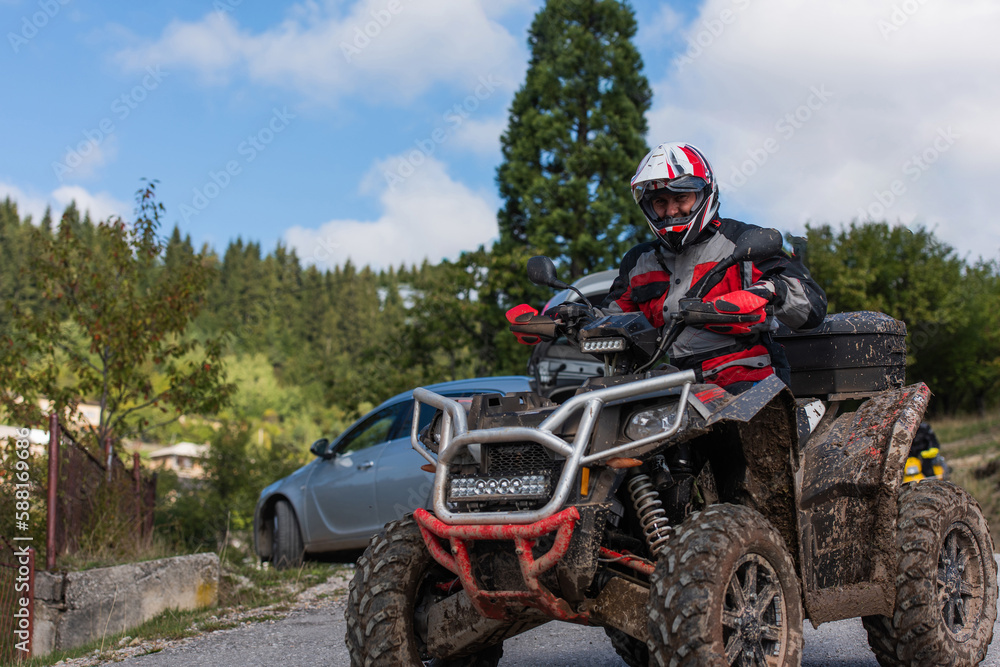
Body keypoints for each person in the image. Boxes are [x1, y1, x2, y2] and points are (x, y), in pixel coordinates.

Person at [603, 142, 828, 391]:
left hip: (748, 381)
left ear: (704, 194)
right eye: (660, 201)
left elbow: (812, 307)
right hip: (672, 386)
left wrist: (768, 291)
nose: (671, 210)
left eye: (681, 198)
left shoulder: (744, 242)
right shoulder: (638, 262)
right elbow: (614, 318)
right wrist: (575, 319)